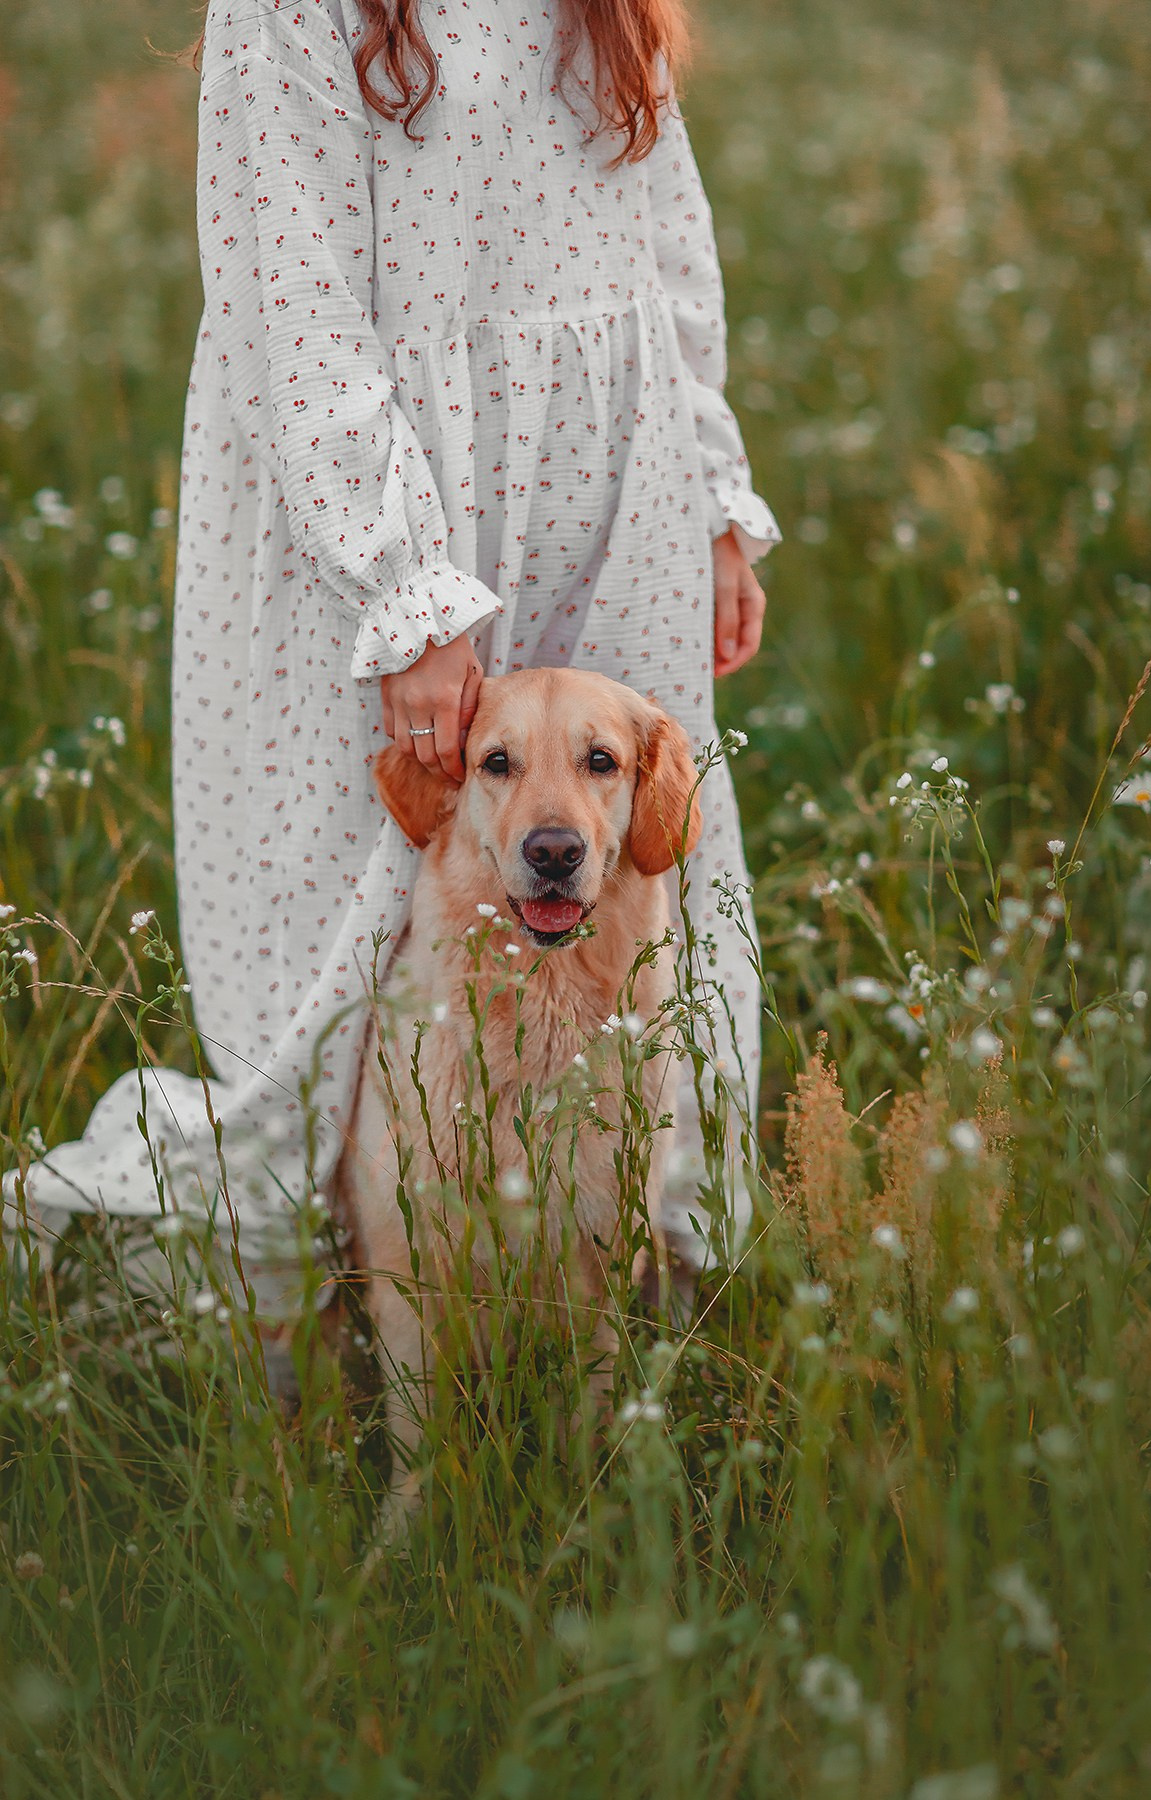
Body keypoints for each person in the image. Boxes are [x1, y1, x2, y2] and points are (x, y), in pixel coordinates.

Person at [3, 0, 779, 1305]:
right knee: (350, 925)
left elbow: (666, 227)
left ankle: (648, 1290)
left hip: (612, 478)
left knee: (631, 867)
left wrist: (710, 488)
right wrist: (410, 588)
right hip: (382, 487)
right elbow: (286, 290)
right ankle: (321, 1335)